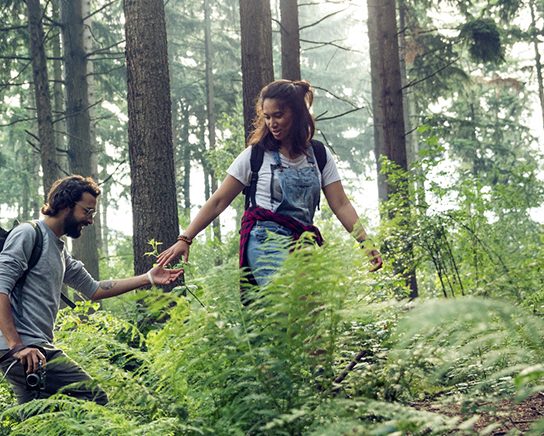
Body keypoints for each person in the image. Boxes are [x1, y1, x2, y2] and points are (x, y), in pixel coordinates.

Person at [0, 174, 183, 436]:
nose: (90, 220)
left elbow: (93, 289)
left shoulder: (58, 250)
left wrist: (148, 278)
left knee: (36, 434)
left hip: (31, 353)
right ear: (66, 205)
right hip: (25, 352)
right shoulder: (28, 235)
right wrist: (18, 347)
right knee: (94, 399)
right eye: (87, 211)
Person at [157, 79, 382, 286]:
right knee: (291, 307)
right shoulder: (255, 156)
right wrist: (186, 238)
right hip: (265, 239)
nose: (272, 123)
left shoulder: (319, 155)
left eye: (278, 115)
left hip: (302, 242)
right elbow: (219, 200)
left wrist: (365, 242)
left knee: (311, 315)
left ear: (296, 114)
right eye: (267, 116)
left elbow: (341, 203)